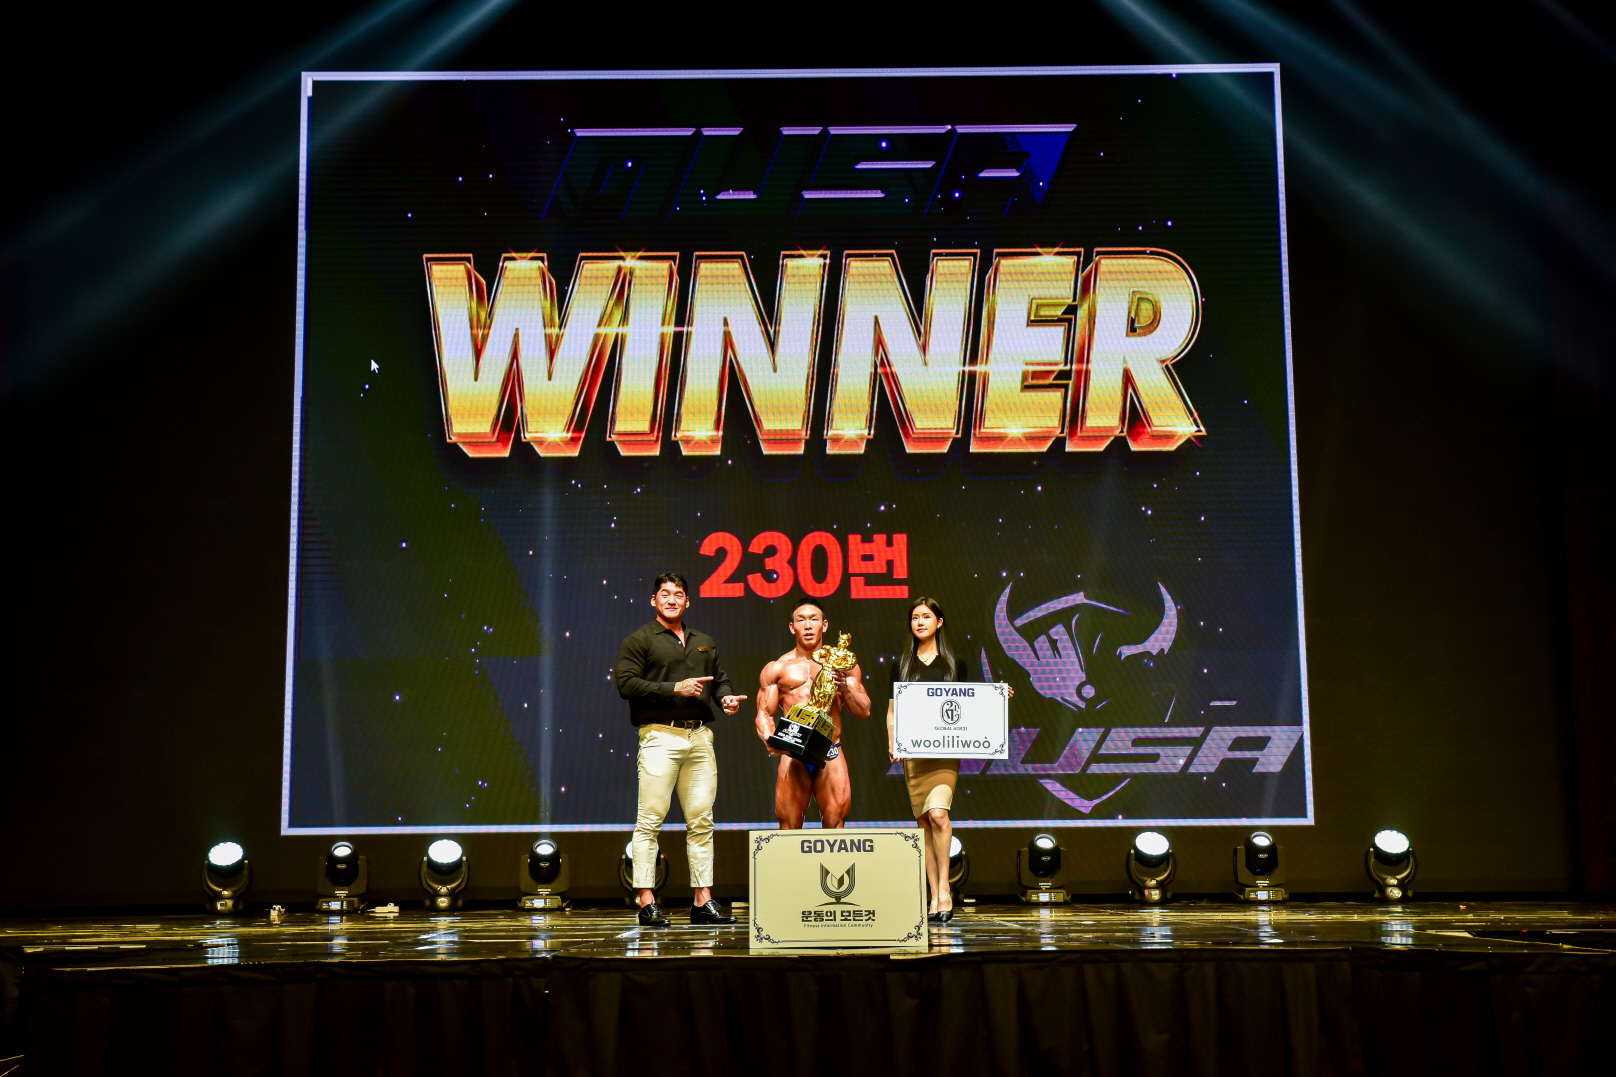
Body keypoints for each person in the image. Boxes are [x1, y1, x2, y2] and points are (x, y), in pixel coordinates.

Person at [613, 572, 747, 927]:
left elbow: (719, 681)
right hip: (660, 736)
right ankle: (646, 901)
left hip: (699, 737)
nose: (672, 600)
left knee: (702, 821)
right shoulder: (640, 639)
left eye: (678, 594)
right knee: (650, 820)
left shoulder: (704, 641)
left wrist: (726, 699)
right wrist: (675, 687)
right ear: (653, 600)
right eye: (665, 594)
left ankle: (702, 901)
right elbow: (626, 684)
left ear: (687, 601)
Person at [885, 597, 1010, 923]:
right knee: (924, 823)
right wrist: (892, 742)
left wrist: (997, 696)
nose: (920, 622)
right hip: (914, 755)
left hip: (943, 754)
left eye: (926, 617)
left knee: (939, 814)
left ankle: (945, 890)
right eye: (915, 617)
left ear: (939, 622)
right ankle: (933, 894)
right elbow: (892, 711)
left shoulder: (954, 664)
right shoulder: (902, 665)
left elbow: (967, 706)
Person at [755, 602, 872, 829]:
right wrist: (770, 738)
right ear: (792, 627)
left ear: (824, 625)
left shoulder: (843, 665)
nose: (808, 626)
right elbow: (764, 713)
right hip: (793, 754)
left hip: (830, 752)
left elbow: (864, 710)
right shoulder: (777, 668)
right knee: (788, 826)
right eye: (801, 620)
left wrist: (845, 688)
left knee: (835, 825)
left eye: (814, 619)